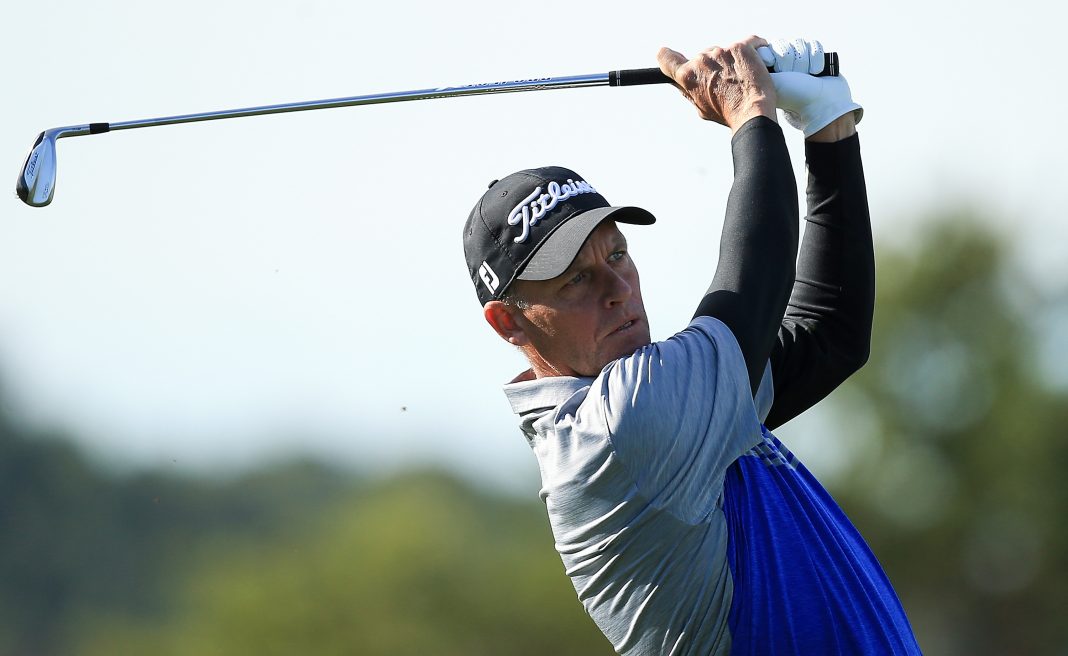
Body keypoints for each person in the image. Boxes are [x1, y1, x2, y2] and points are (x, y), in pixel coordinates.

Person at [462, 35, 921, 655]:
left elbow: (828, 334)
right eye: (576, 279)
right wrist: (749, 114)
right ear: (508, 323)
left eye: (618, 254)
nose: (618, 289)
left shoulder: (687, 407)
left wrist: (826, 128)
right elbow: (752, 283)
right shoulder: (617, 429)